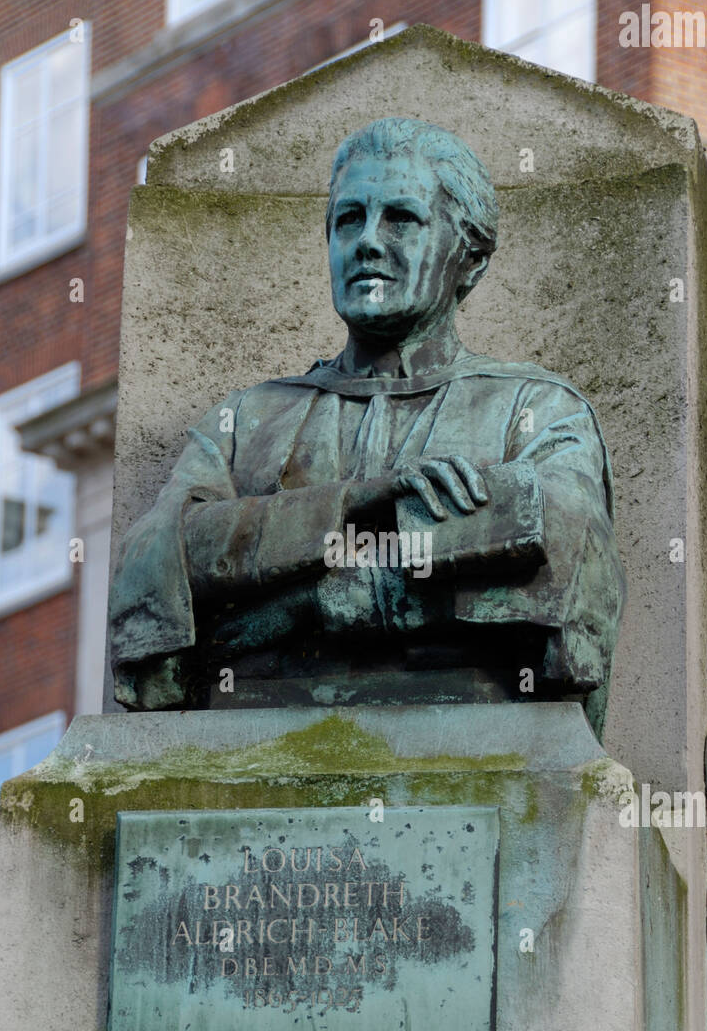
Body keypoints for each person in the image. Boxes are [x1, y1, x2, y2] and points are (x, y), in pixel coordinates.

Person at [109, 118, 624, 731]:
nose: (368, 243)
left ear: (470, 259)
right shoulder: (248, 418)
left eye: (401, 219)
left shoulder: (535, 408)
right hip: (246, 742)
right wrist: (358, 504)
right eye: (349, 219)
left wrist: (307, 601)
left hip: (474, 742)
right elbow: (157, 562)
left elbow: (565, 555)